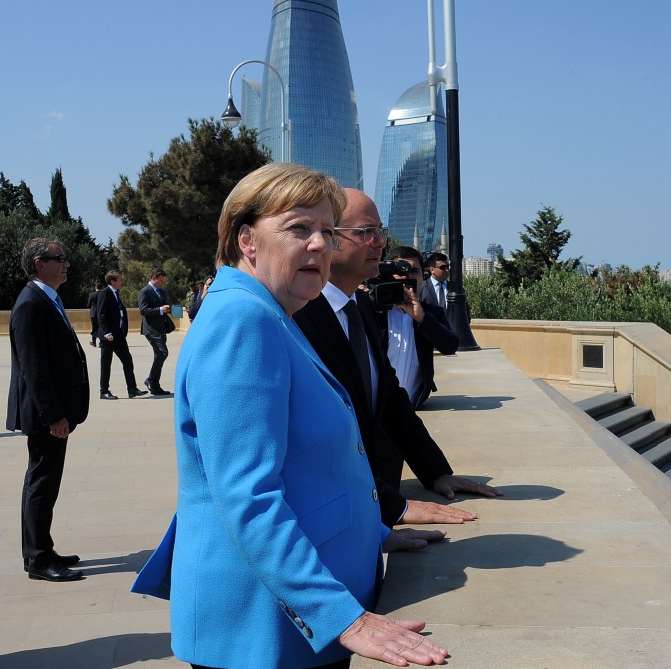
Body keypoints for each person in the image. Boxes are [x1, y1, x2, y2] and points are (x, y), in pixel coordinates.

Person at [132, 163, 448, 669]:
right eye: (299, 228)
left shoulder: (272, 312)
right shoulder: (244, 320)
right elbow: (247, 494)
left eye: (325, 230)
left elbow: (306, 465)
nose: (320, 245)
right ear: (247, 240)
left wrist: (375, 529)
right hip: (266, 630)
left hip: (288, 619)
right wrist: (346, 618)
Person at [294, 189, 502, 526]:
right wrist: (394, 508)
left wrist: (436, 473)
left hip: (372, 498)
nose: (378, 242)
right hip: (331, 516)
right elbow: (316, 442)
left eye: (381, 231)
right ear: (328, 239)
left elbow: (390, 398)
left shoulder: (358, 306)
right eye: (365, 232)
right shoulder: (298, 314)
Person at [6, 238, 89, 582]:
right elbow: (33, 368)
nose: (67, 263)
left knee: (44, 482)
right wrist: (54, 416)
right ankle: (39, 559)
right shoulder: (30, 303)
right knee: (41, 483)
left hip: (53, 413)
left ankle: (40, 549)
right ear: (40, 264)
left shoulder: (47, 299)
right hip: (46, 416)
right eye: (60, 258)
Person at [383, 246, 458, 408]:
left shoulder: (431, 313)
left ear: (423, 277)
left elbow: (450, 346)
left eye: (414, 271)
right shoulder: (374, 311)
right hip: (379, 408)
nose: (407, 276)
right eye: (401, 271)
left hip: (413, 405)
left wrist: (422, 318)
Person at [97, 270, 148, 400]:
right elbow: (101, 315)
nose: (122, 282)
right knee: (106, 364)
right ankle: (104, 391)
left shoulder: (115, 293)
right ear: (113, 281)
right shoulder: (105, 293)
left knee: (127, 361)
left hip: (119, 335)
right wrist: (107, 332)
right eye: (120, 280)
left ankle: (132, 389)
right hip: (108, 336)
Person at [138, 268, 172, 395]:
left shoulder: (161, 291)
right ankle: (151, 380)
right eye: (161, 280)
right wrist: (160, 310)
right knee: (163, 352)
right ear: (154, 278)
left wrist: (168, 308)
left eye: (164, 281)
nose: (162, 283)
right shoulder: (145, 292)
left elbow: (164, 305)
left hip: (161, 328)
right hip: (151, 329)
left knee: (159, 354)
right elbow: (143, 310)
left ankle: (155, 384)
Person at [87, 280, 103, 347]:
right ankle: (101, 342)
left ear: (95, 287)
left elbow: (88, 305)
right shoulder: (103, 294)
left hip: (93, 313)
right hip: (102, 313)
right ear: (101, 287)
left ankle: (94, 342)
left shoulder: (92, 295)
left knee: (94, 328)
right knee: (101, 328)